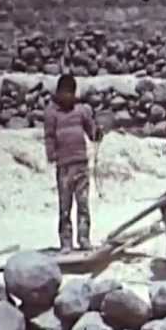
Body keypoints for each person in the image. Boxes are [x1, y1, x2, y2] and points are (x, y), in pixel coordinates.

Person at [44, 74, 103, 253]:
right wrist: (51, 153)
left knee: (83, 204)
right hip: (64, 166)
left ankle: (84, 239)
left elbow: (91, 130)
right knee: (65, 206)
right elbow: (49, 136)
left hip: (81, 164)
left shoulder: (82, 111)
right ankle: (66, 243)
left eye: (70, 92)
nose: (67, 96)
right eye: (64, 92)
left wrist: (97, 133)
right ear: (59, 93)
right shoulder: (52, 113)